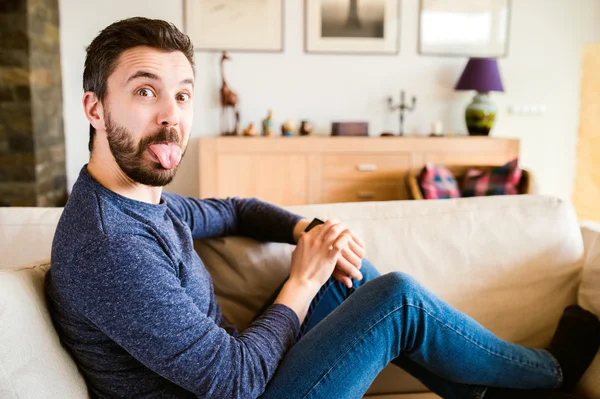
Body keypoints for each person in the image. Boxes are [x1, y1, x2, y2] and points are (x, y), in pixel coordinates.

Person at [45, 17, 600, 399]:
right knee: (397, 299)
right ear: (95, 107)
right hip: (241, 387)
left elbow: (236, 209)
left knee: (345, 268)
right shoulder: (110, 244)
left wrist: (306, 229)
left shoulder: (144, 204)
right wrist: (300, 281)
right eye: (145, 92)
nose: (171, 115)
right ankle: (552, 372)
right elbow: (234, 383)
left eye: (183, 94)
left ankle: (477, 391)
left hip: (245, 373)